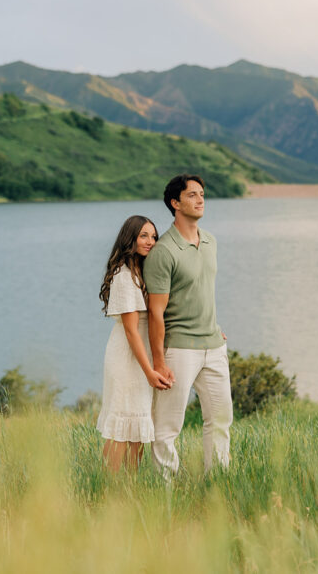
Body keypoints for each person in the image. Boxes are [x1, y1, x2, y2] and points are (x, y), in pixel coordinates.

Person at [144, 174, 232, 476]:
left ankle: (217, 484)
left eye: (202, 194)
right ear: (175, 203)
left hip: (214, 347)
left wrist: (213, 325)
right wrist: (158, 360)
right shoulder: (163, 252)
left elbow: (203, 290)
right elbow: (156, 312)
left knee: (220, 421)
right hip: (179, 350)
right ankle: (164, 490)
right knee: (167, 428)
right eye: (192, 195)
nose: (200, 199)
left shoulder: (211, 242)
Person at [96, 215, 172, 472]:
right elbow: (131, 331)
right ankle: (110, 488)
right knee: (123, 422)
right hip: (128, 357)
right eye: (143, 236)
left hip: (142, 354)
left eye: (153, 236)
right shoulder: (124, 275)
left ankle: (129, 487)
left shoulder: (142, 271)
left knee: (138, 424)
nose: (150, 241)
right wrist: (149, 370)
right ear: (130, 238)